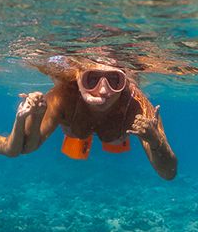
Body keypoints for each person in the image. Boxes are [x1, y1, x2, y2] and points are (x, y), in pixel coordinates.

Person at [22, 56, 177, 180]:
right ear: (79, 78)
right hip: (76, 128)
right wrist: (33, 116)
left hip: (116, 130)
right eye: (92, 79)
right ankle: (90, 140)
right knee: (79, 133)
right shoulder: (62, 96)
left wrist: (155, 141)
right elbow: (26, 144)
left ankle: (112, 141)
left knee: (113, 138)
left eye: (114, 80)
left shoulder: (137, 104)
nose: (103, 90)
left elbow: (168, 173)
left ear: (125, 81)